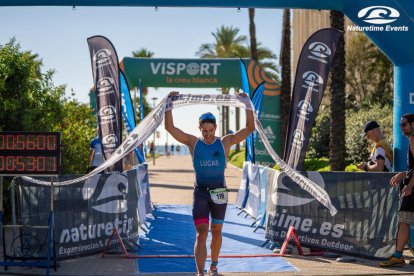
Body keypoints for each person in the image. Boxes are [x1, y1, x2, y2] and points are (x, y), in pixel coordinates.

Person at [165, 91, 254, 276]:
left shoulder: (225, 142)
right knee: (201, 233)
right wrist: (169, 104)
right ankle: (200, 273)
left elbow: (249, 128)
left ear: (216, 127)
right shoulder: (193, 142)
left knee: (217, 230)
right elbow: (170, 128)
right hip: (201, 193)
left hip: (220, 192)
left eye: (210, 130)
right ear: (199, 128)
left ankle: (213, 266)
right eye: (204, 130)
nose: (207, 134)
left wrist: (246, 104)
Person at [380, 114, 414, 267]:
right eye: (400, 124)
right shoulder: (411, 140)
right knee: (405, 220)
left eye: (404, 124)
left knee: (404, 221)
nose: (401, 127)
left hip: (413, 187)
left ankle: (398, 256)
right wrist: (403, 174)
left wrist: (410, 186)